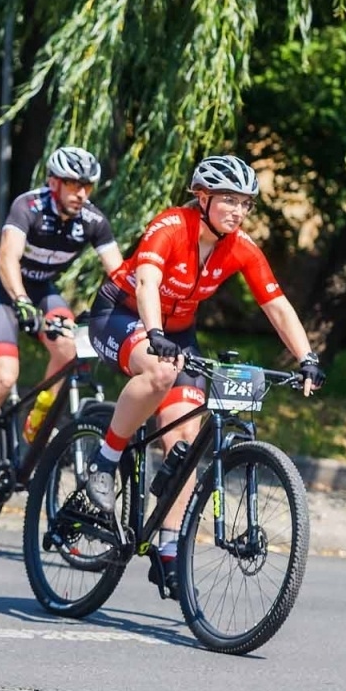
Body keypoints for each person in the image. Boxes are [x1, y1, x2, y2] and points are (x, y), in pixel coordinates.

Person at [85, 154, 323, 592]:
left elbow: (276, 305)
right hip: (120, 315)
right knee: (158, 373)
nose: (237, 211)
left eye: (246, 203)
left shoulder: (240, 247)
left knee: (186, 445)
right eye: (228, 200)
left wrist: (307, 356)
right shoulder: (172, 226)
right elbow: (146, 284)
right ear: (202, 196)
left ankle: (170, 546)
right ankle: (105, 460)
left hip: (178, 334)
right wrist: (154, 332)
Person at [0, 146, 122, 507]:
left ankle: (37, 421)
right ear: (53, 182)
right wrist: (21, 300)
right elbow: (7, 257)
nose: (81, 194)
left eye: (87, 187)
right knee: (3, 377)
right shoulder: (28, 207)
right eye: (74, 185)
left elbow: (119, 275)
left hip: (43, 289)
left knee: (69, 350)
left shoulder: (92, 221)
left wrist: (125, 314)